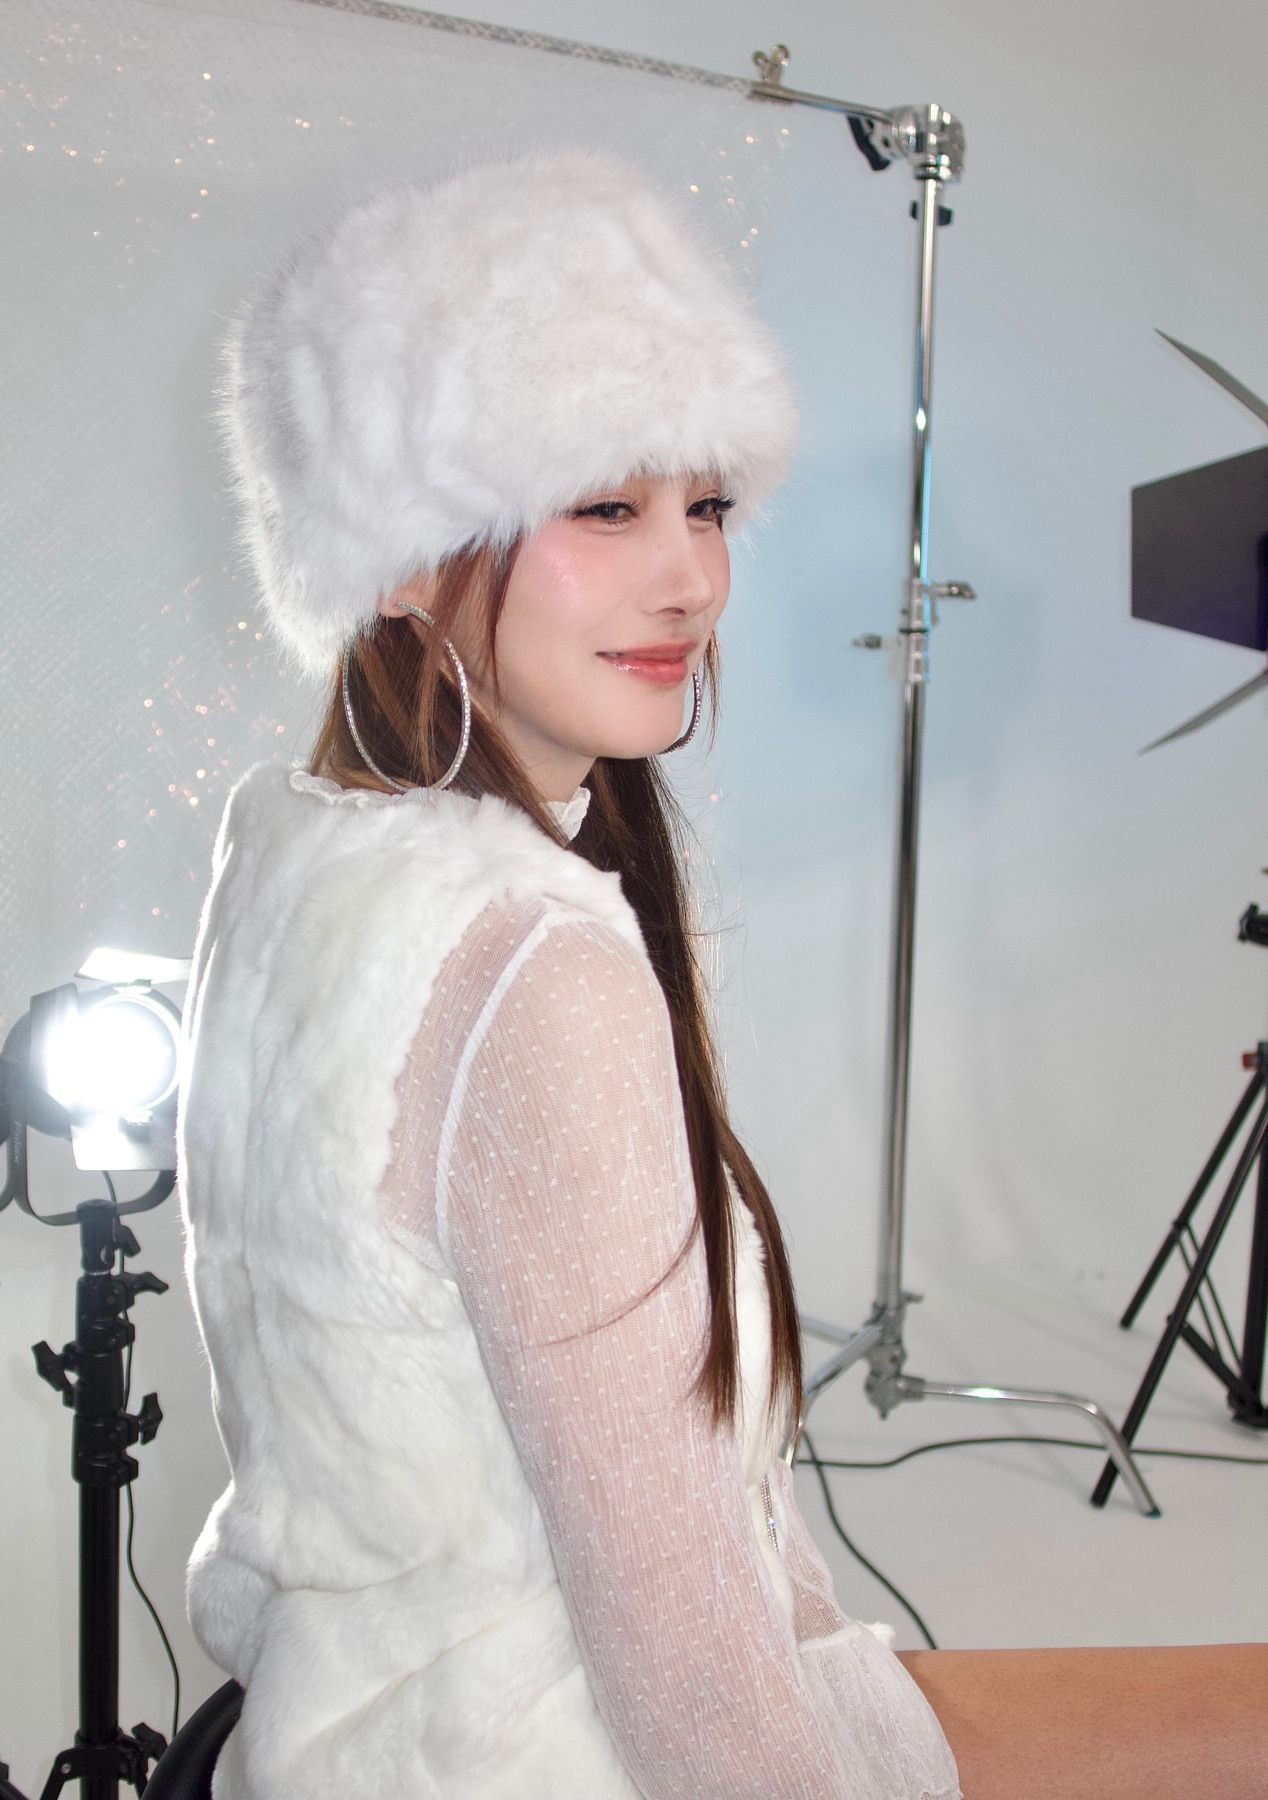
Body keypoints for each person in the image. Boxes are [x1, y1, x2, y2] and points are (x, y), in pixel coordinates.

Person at [178, 154, 1265, 1800]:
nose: (692, 578)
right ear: (398, 552)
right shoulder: (531, 972)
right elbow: (693, 1693)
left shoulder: (298, 861)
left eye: (707, 506)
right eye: (605, 506)